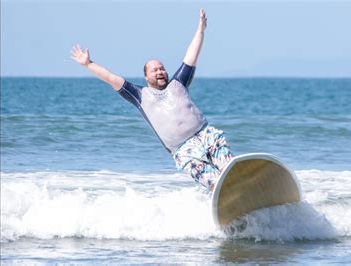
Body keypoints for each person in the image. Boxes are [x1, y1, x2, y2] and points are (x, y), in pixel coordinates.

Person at [71, 9, 233, 192]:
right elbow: (110, 77)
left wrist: (200, 30)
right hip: (184, 151)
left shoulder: (179, 83)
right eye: (154, 70)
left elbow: (191, 56)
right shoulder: (139, 96)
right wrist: (88, 63)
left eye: (162, 68)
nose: (160, 72)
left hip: (207, 136)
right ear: (146, 77)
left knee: (230, 170)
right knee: (216, 184)